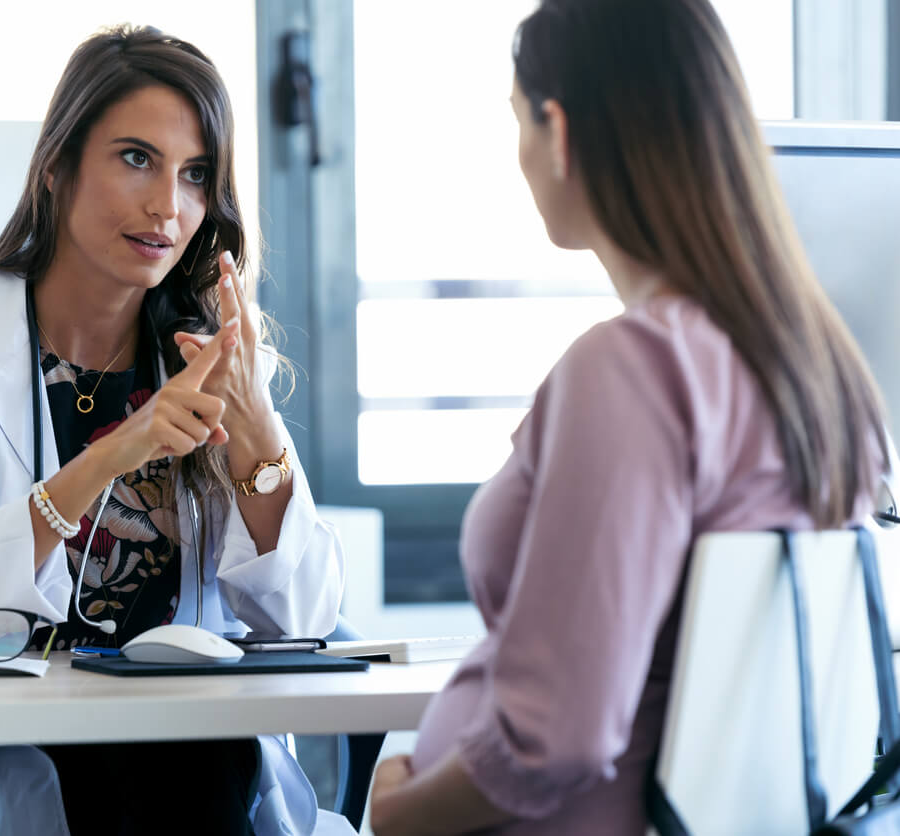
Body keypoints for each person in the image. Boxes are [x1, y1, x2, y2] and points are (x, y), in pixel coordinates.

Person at [367, 0, 890, 833]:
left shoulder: (637, 368)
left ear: (560, 132)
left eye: (518, 122)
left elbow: (557, 738)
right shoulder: (826, 377)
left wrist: (401, 814)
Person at [0, 24, 350, 836]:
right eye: (136, 158)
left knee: (184, 751)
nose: (168, 205)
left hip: (183, 753)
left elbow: (306, 619)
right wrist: (114, 457)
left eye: (195, 175)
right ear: (58, 168)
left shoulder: (206, 361)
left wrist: (258, 427)